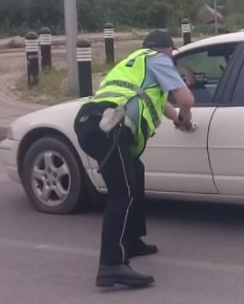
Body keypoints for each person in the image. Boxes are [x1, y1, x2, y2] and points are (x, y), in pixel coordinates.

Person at [73, 30, 195, 288]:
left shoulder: (136, 61)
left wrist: (178, 121)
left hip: (93, 123)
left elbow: (160, 104)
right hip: (109, 129)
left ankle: (131, 241)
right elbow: (186, 98)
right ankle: (110, 265)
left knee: (134, 172)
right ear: (169, 50)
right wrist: (187, 116)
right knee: (123, 193)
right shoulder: (160, 60)